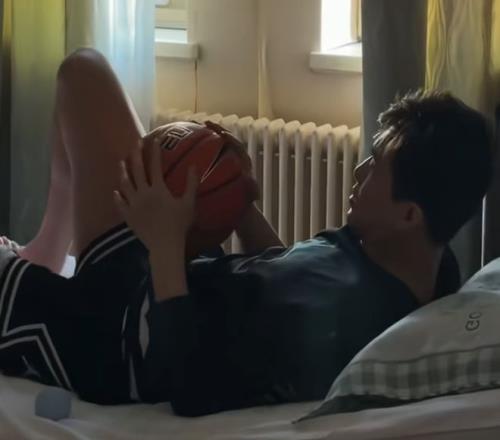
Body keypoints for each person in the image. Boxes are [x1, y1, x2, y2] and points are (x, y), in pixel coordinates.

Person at [0, 48, 493, 416]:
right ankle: (46, 249)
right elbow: (285, 277)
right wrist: (241, 203)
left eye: (376, 166)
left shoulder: (345, 319)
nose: (359, 171)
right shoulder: (423, 264)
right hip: (169, 274)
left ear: (409, 214)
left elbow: (187, 385)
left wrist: (165, 245)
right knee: (84, 73)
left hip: (119, 329)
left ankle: (34, 273)